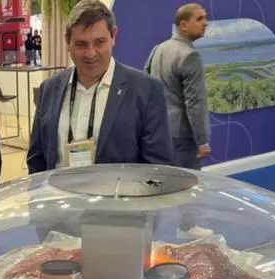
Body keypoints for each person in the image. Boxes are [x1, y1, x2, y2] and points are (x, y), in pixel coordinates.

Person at [27, 0, 173, 173]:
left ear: (113, 36)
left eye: (99, 42)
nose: (90, 54)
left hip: (120, 191)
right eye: (81, 44)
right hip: (58, 190)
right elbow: (36, 162)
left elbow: (158, 170)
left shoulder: (146, 90)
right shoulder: (49, 89)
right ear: (68, 41)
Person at [145, 3, 211, 170]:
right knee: (186, 182)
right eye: (199, 19)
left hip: (158, 131)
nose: (205, 23)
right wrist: (202, 141)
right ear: (183, 25)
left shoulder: (158, 49)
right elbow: (195, 102)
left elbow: (146, 87)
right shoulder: (190, 56)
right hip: (182, 138)